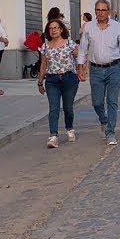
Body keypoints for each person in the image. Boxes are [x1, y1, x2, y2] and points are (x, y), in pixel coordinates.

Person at [76, 0, 120, 146]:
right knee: (97, 102)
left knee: (112, 101)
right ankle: (103, 119)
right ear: (95, 11)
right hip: (95, 69)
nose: (100, 13)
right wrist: (80, 68)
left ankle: (111, 132)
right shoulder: (89, 28)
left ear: (108, 11)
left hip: (113, 68)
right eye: (97, 10)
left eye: (103, 10)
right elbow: (82, 49)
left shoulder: (117, 27)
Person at [36, 18, 80, 148]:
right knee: (54, 108)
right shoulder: (45, 47)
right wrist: (40, 82)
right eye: (50, 28)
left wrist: (82, 70)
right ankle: (53, 136)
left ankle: (69, 128)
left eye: (55, 28)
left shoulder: (70, 44)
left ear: (61, 29)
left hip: (69, 79)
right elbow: (43, 65)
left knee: (68, 107)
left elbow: (80, 57)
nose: (53, 30)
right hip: (52, 80)